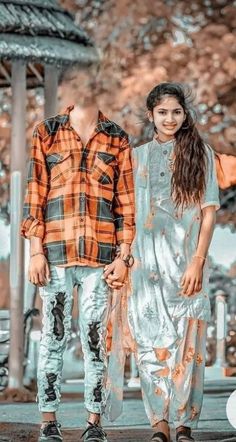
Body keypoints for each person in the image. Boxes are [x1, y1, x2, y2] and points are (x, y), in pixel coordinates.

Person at [21, 62, 135, 442]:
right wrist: (35, 249)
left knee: (93, 338)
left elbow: (126, 205)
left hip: (101, 260)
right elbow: (34, 193)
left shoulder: (118, 138)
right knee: (53, 336)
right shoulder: (46, 132)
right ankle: (48, 422)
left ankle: (93, 424)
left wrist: (123, 256)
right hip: (54, 254)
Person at [127, 82, 220, 442]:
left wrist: (198, 261)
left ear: (185, 115)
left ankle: (183, 424)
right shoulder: (135, 158)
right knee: (150, 348)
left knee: (188, 344)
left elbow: (209, 215)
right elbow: (127, 215)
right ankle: (159, 424)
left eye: (176, 112)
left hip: (186, 265)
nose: (170, 118)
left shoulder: (201, 154)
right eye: (162, 112)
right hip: (145, 270)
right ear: (150, 115)